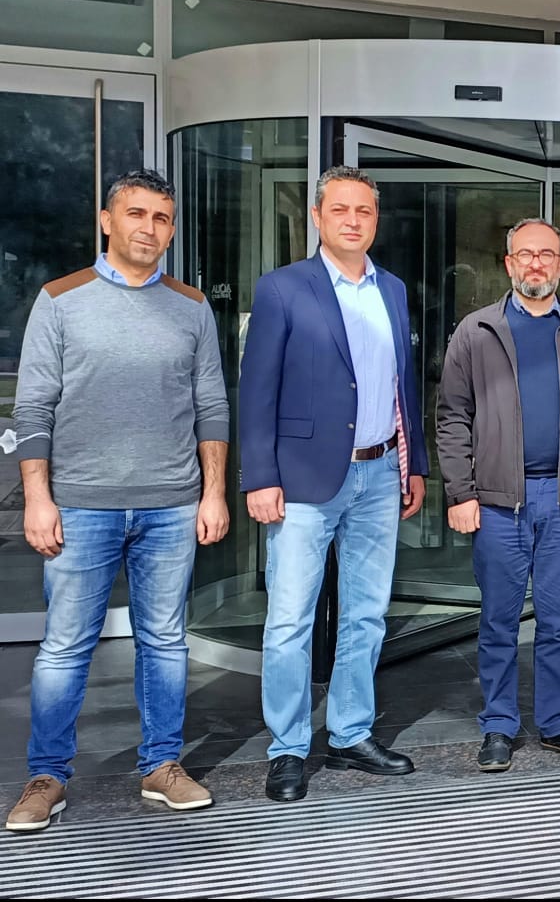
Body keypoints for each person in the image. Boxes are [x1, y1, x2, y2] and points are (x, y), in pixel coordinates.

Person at [7, 169, 229, 832]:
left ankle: (162, 765)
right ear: (107, 221)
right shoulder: (60, 299)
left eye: (162, 217)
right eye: (136, 214)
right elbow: (34, 408)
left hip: (171, 505)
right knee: (64, 647)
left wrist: (213, 492)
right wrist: (37, 498)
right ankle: (47, 775)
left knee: (164, 642)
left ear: (172, 229)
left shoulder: (192, 306)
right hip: (80, 505)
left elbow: (211, 406)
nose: (149, 228)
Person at [239, 165, 429, 803]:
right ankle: (288, 747)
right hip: (301, 480)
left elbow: (403, 385)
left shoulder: (392, 289)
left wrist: (413, 464)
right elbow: (257, 391)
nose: (353, 220)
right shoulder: (282, 288)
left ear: (376, 220)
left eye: (364, 211)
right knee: (290, 619)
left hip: (379, 472)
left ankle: (350, 732)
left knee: (367, 614)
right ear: (317, 217)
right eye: (340, 209)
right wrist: (260, 476)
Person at [436, 218, 560, 773]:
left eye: (546, 254)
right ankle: (498, 724)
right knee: (498, 621)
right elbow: (452, 417)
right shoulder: (476, 331)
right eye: (525, 254)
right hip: (498, 502)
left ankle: (558, 721)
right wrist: (460, 492)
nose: (536, 263)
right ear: (509, 263)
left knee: (559, 620)